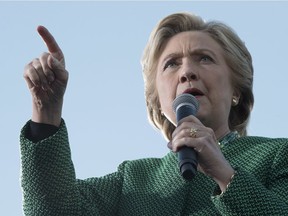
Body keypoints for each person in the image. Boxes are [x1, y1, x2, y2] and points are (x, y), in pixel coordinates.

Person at [20, 12, 288, 215]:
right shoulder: (132, 179)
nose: (186, 72)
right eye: (171, 64)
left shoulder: (277, 156)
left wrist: (225, 175)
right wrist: (47, 110)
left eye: (204, 58)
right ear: (158, 101)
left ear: (236, 90)